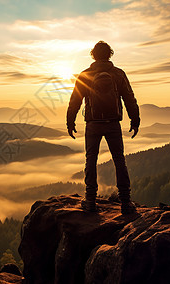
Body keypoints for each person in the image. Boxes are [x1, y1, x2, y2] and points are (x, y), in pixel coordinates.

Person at [66, 41, 140, 214]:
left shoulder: (86, 74)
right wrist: (135, 120)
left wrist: (70, 122)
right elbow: (130, 98)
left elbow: (75, 100)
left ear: (93, 55)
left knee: (91, 159)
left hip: (93, 124)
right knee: (119, 160)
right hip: (113, 123)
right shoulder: (118, 74)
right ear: (110, 54)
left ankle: (90, 200)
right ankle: (126, 202)